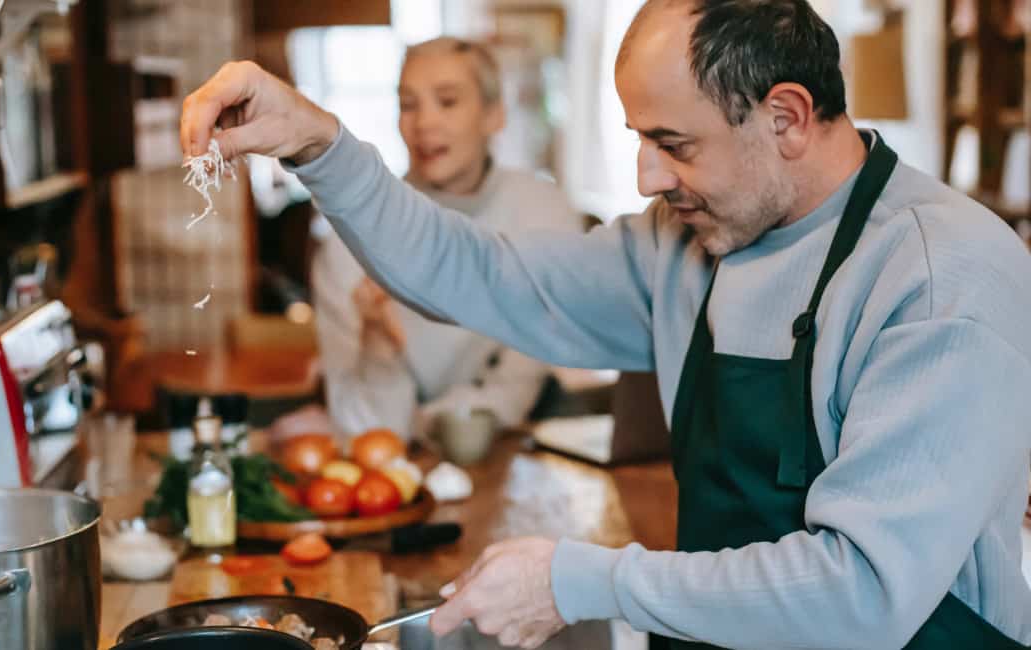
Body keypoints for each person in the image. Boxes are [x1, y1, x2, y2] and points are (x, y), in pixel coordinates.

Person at [180, 1, 1031, 648]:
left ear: (786, 118)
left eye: (674, 144)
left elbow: (866, 592)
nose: (645, 177)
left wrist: (588, 579)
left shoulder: (939, 277)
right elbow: (482, 275)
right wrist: (319, 146)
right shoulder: (683, 248)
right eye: (637, 138)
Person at [308, 37, 580, 443]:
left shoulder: (546, 215)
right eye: (409, 104)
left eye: (447, 101)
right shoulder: (348, 244)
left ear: (494, 114)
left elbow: (514, 390)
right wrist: (380, 353)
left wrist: (425, 423)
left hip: (501, 456)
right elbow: (365, 432)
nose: (424, 124)